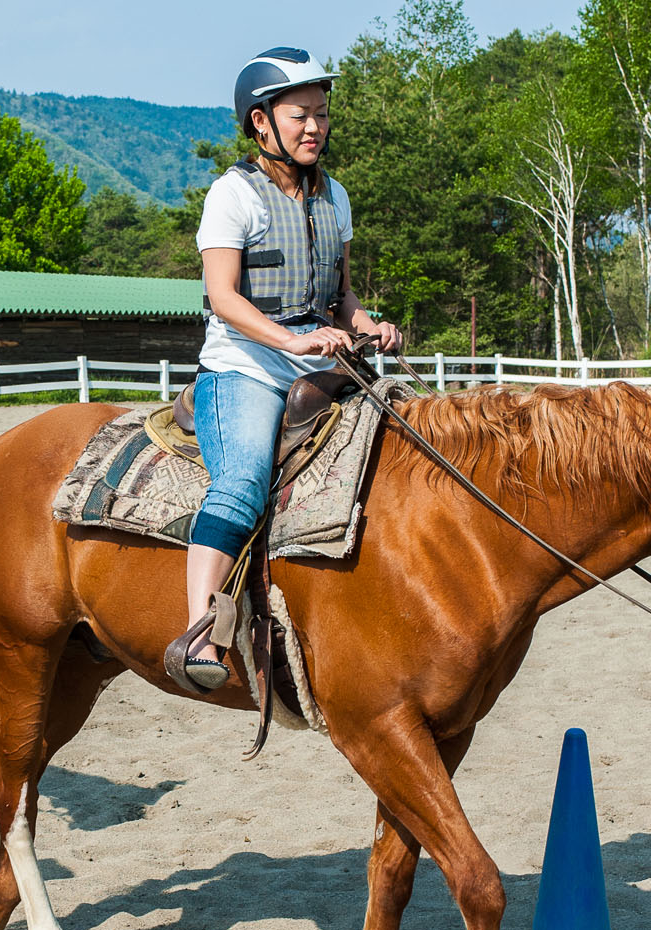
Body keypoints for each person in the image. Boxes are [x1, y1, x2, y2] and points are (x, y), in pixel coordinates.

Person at [169, 47, 401, 693]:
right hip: (246, 369)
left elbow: (342, 298)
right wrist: (291, 342)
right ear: (261, 123)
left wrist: (369, 324)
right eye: (300, 114)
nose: (315, 128)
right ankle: (198, 632)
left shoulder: (337, 197)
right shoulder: (231, 195)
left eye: (322, 115)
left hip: (325, 362)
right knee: (242, 479)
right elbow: (224, 298)